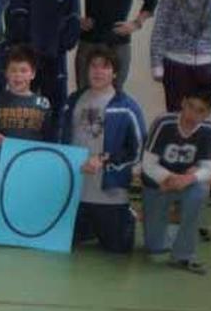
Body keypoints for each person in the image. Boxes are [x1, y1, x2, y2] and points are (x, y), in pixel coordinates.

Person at [60, 45, 146, 253]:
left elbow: (138, 149)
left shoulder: (127, 106)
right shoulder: (73, 101)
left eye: (105, 67)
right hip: (75, 192)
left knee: (118, 249)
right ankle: (87, 227)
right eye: (94, 66)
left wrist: (104, 159)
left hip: (109, 193)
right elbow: (60, 139)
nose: (98, 71)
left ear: (115, 73)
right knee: (62, 243)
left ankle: (126, 216)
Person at [0, 45, 54, 238]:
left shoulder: (43, 105)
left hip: (28, 176)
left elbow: (51, 143)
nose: (18, 76)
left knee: (26, 230)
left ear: (33, 74)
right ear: (6, 74)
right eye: (13, 71)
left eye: (23, 71)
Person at [141, 87, 211, 274]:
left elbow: (209, 168)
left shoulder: (209, 131)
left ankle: (183, 255)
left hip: (186, 184)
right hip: (158, 184)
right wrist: (170, 177)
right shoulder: (163, 123)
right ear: (183, 103)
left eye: (200, 111)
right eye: (190, 107)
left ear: (208, 113)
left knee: (200, 192)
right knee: (154, 246)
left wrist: (189, 178)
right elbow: (148, 164)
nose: (192, 115)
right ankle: (180, 234)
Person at [6, 0, 80, 123]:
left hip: (56, 60)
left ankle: (51, 150)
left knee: (55, 111)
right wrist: (29, 48)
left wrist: (57, 46)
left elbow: (73, 25)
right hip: (28, 59)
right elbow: (16, 18)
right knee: (20, 108)